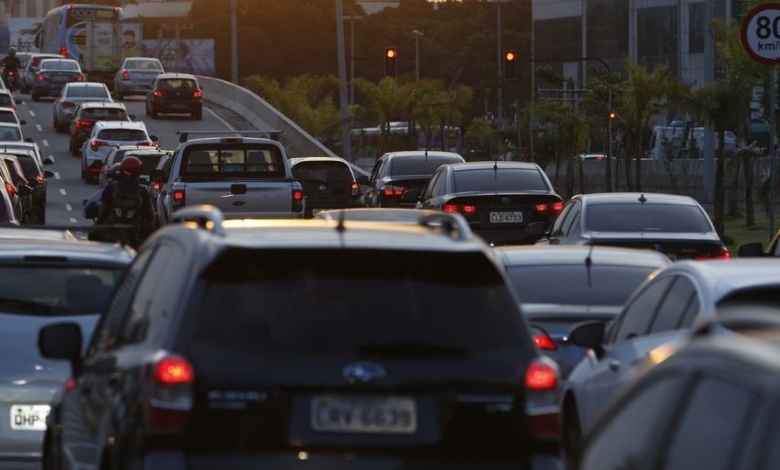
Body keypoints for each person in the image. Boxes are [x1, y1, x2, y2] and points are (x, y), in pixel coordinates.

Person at [94, 156, 155, 248]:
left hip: (113, 232)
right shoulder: (142, 191)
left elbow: (102, 212)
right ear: (138, 172)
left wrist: (98, 223)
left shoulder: (111, 187)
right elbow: (150, 215)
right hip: (134, 234)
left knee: (94, 235)